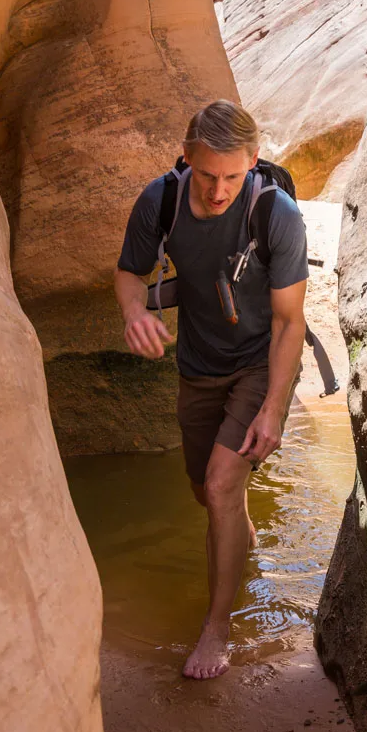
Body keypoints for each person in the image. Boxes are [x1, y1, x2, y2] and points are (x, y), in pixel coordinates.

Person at [114, 100, 308, 680]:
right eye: (207, 175)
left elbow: (290, 323)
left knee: (223, 484)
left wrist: (274, 407)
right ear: (186, 156)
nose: (219, 190)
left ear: (252, 161)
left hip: (258, 362)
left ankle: (216, 627)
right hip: (197, 367)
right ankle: (238, 534)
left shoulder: (276, 213)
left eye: (232, 176)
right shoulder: (161, 200)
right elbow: (130, 272)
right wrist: (132, 313)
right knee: (205, 492)